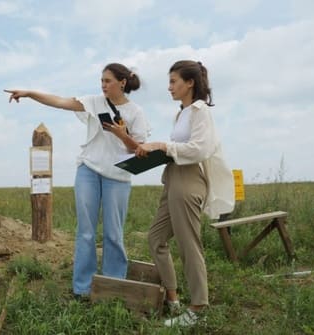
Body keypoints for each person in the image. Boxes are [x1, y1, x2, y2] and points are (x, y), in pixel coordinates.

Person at [5, 63, 151, 297]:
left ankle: (113, 287)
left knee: (114, 232)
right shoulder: (93, 102)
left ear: (122, 82)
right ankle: (82, 289)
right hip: (89, 170)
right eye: (101, 80)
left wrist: (121, 135)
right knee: (85, 232)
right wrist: (30, 93)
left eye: (108, 81)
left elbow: (140, 150)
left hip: (118, 175)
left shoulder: (136, 112)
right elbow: (60, 101)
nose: (103, 85)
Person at [135, 60, 234, 327]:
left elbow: (200, 149)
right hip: (173, 178)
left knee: (189, 244)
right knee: (156, 238)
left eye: (173, 81)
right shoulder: (182, 113)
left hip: (190, 180)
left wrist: (161, 145)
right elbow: (180, 148)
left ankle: (198, 307)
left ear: (189, 83)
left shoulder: (201, 111)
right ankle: (173, 298)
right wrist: (157, 152)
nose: (169, 87)